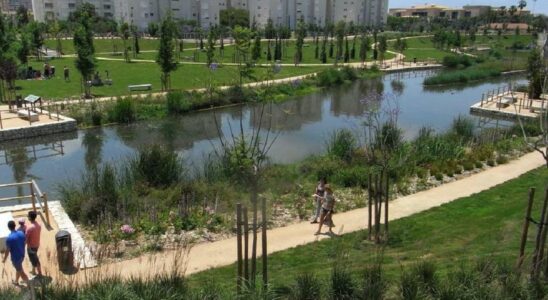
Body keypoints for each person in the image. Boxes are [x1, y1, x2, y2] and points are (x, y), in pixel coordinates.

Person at [2, 220, 29, 286]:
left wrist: (4, 259)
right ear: (15, 226)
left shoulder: (9, 238)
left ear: (8, 228)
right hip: (22, 255)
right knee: (18, 269)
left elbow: (7, 251)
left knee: (21, 271)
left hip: (16, 259)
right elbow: (25, 242)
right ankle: (16, 281)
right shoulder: (21, 233)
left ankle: (29, 285)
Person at [25, 211, 42, 277]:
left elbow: (25, 240)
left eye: (28, 216)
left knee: (35, 259)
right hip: (36, 244)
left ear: (29, 217)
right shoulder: (39, 225)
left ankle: (40, 273)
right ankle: (33, 270)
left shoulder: (29, 228)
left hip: (31, 247)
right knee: (33, 258)